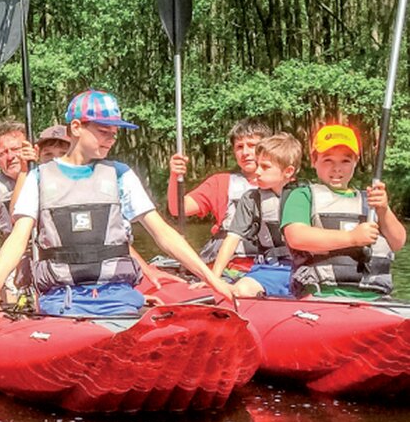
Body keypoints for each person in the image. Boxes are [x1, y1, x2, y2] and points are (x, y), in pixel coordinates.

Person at [0, 90, 234, 316]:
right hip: (61, 300)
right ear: (77, 127)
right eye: (103, 131)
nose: (111, 139)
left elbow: (163, 233)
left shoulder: (121, 174)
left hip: (119, 297)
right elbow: (18, 239)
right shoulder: (38, 178)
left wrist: (212, 279)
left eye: (114, 133)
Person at [282, 124, 406, 299]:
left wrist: (384, 210)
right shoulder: (302, 195)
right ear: (314, 160)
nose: (337, 168)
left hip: (375, 298)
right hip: (322, 295)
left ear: (355, 161)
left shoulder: (370, 199)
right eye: (328, 160)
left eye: (345, 161)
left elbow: (397, 242)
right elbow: (296, 237)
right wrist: (352, 238)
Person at [0, 122, 70, 301]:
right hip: (13, 268)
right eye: (3, 153)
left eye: (16, 149)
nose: (10, 156)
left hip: (54, 260)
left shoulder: (57, 174)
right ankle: (15, 305)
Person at [209, 133, 302, 298]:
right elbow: (232, 239)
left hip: (304, 270)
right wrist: (213, 278)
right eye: (257, 165)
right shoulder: (251, 199)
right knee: (242, 290)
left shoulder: (307, 196)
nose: (257, 172)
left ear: (288, 172)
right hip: (269, 269)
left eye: (265, 167)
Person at [167, 118, 272, 262]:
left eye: (252, 145)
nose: (245, 152)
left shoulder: (283, 184)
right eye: (239, 147)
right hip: (228, 262)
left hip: (269, 262)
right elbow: (177, 209)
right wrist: (174, 175)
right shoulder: (220, 183)